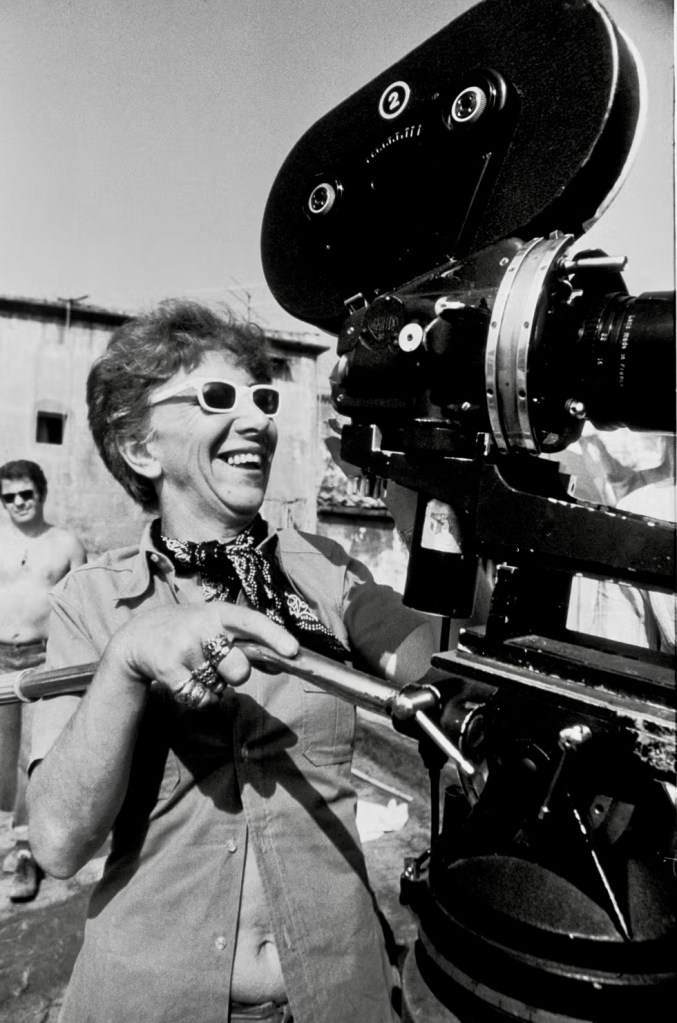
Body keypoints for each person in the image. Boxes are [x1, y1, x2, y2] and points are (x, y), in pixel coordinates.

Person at [27, 300, 439, 1023]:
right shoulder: (90, 602)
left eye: (263, 400)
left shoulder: (326, 571)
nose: (256, 421)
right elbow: (59, 844)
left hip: (339, 994)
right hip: (152, 1000)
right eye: (217, 398)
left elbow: (439, 669)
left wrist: (434, 510)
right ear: (141, 448)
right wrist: (127, 660)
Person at [0, 459, 85, 902]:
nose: (18, 502)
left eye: (25, 494)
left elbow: (81, 608)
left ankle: (24, 851)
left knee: (29, 756)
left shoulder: (65, 543)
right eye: (8, 497)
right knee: (1, 755)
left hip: (40, 662)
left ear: (41, 493)